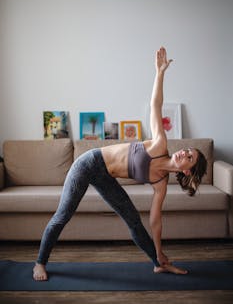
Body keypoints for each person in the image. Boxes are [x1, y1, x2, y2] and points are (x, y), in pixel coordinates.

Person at [33, 47, 207, 281]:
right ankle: (40, 263)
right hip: (88, 163)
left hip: (106, 177)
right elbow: (156, 105)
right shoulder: (159, 144)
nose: (183, 153)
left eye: (189, 157)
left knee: (134, 220)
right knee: (63, 215)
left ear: (187, 170)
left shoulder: (161, 183)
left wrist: (159, 251)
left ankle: (158, 264)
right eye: (186, 150)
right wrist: (160, 73)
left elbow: (155, 221)